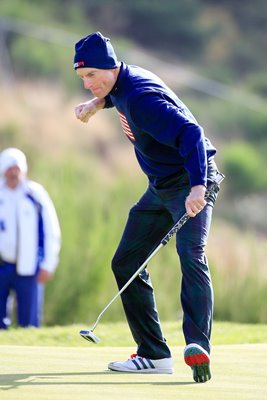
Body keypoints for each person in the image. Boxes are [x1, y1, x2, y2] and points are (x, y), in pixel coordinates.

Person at [73, 32, 222, 383]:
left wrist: (199, 186)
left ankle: (198, 346)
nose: (87, 84)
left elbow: (191, 134)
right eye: (82, 78)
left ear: (110, 68)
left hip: (191, 182)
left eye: (92, 76)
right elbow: (119, 94)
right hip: (161, 188)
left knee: (191, 254)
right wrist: (98, 104)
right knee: (126, 261)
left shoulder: (140, 97)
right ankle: (153, 353)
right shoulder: (123, 83)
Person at [0, 148, 61, 329]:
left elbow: (51, 230)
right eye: (9, 168)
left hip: (29, 268)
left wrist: (48, 263)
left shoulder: (35, 194)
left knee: (29, 324)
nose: (13, 172)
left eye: (16, 168)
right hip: (2, 265)